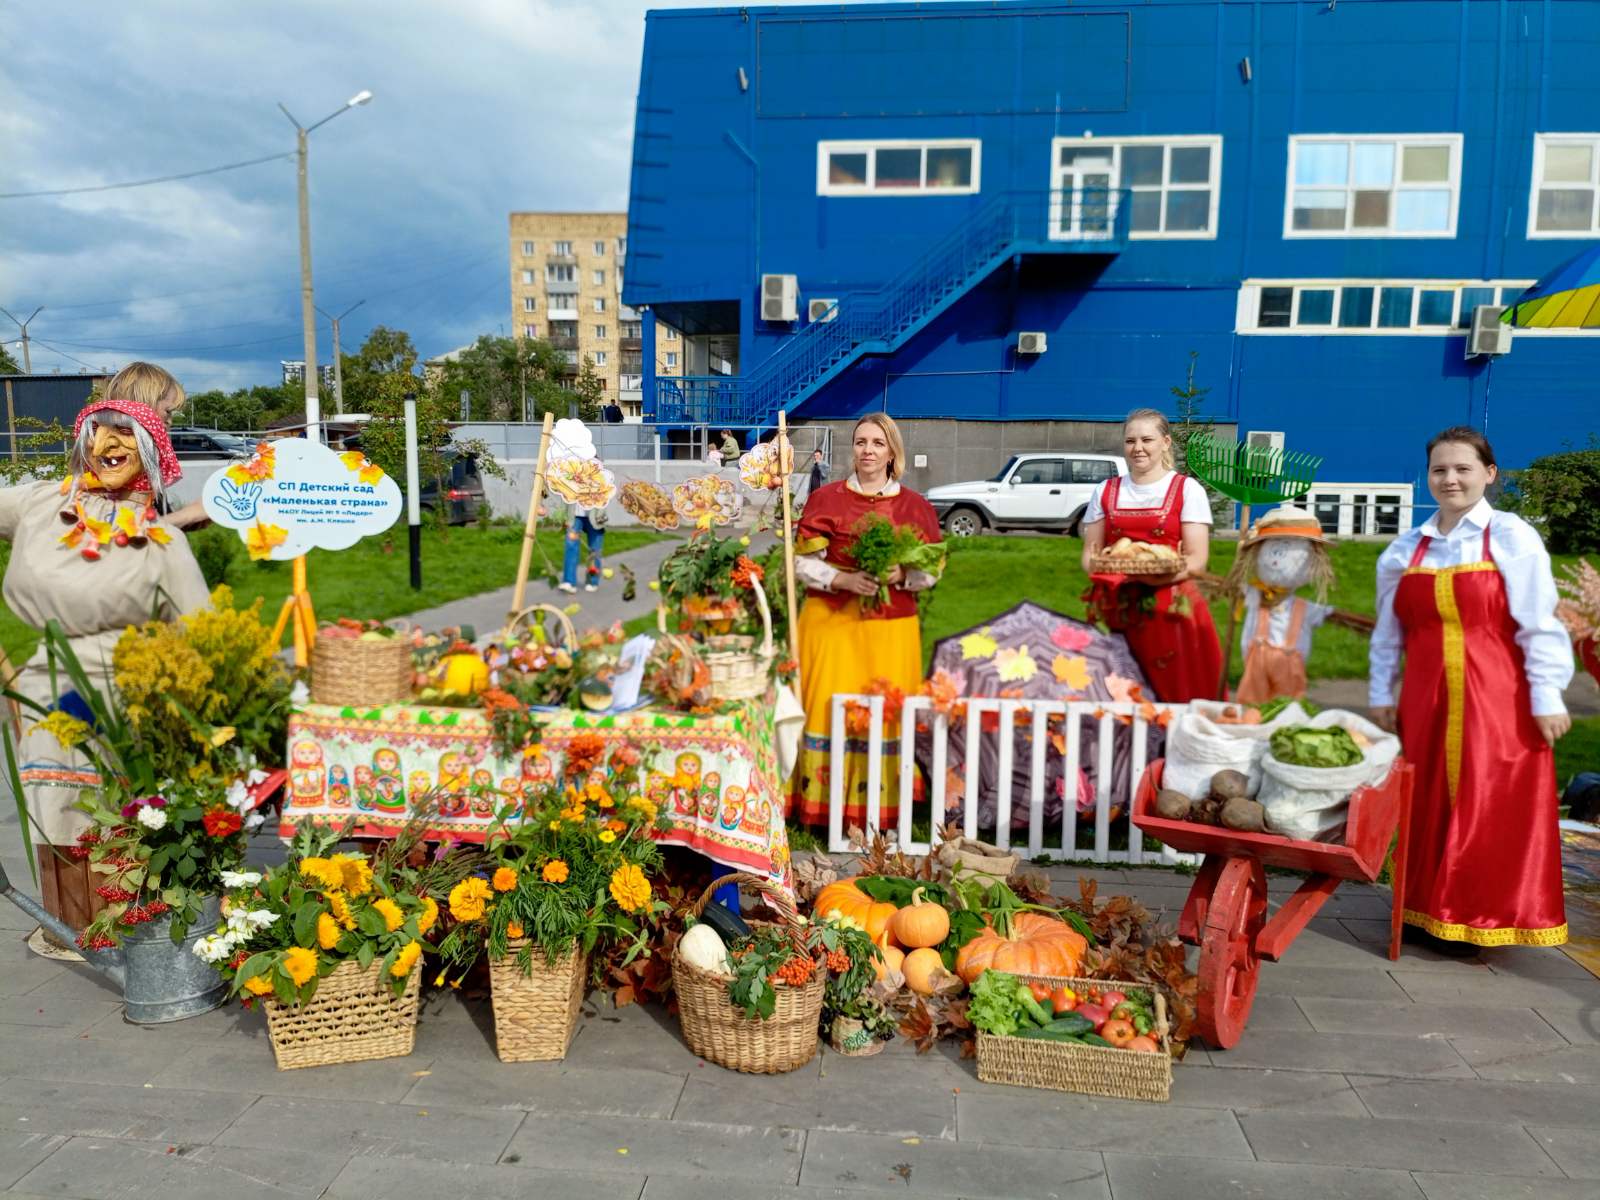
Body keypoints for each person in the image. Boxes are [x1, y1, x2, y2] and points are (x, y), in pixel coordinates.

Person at [0, 392, 211, 956]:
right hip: (46, 684)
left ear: (147, 449)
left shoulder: (158, 539)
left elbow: (203, 633)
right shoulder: (41, 504)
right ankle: (69, 928)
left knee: (126, 807)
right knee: (55, 806)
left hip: (131, 689)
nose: (107, 445)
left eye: (123, 434)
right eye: (97, 431)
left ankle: (131, 931)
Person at [1370, 427, 1571, 954]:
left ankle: (1478, 916)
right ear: (1428, 477)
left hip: (1498, 697)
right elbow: (1389, 633)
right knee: (1427, 799)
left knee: (1489, 800)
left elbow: (1539, 621)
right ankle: (1420, 907)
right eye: (1440, 469)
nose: (1450, 478)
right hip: (1424, 696)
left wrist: (1546, 696)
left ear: (1489, 473)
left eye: (1462, 468)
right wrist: (1381, 693)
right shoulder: (1403, 548)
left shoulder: (1511, 536)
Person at [789, 414, 941, 830]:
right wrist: (842, 578)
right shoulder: (827, 500)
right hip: (830, 622)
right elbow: (801, 564)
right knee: (824, 702)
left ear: (893, 451)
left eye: (877, 443)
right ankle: (821, 804)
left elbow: (931, 570)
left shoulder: (915, 506)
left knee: (886, 707)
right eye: (860, 442)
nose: (868, 450)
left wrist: (900, 576)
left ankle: (882, 807)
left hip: (891, 627)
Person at [1080, 408, 1222, 701]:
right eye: (1131, 441)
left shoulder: (1187, 489)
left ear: (1166, 443)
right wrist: (1106, 570)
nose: (1138, 448)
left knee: (1177, 694)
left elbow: (1197, 559)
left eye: (1147, 440)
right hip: (1118, 606)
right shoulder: (1105, 490)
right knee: (1120, 696)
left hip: (1172, 609)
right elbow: (1090, 556)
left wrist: (1158, 577)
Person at [560, 501, 607, 593]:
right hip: (575, 514)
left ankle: (592, 581)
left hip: (596, 515)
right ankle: (569, 581)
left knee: (595, 549)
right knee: (571, 545)